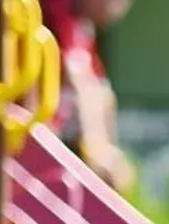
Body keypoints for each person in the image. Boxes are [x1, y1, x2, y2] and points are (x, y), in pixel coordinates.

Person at [40, 0, 136, 191]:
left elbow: (100, 88)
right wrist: (96, 148)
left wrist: (109, 149)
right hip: (37, 126)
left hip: (54, 129)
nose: (119, 9)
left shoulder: (83, 26)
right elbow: (78, 79)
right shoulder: (59, 9)